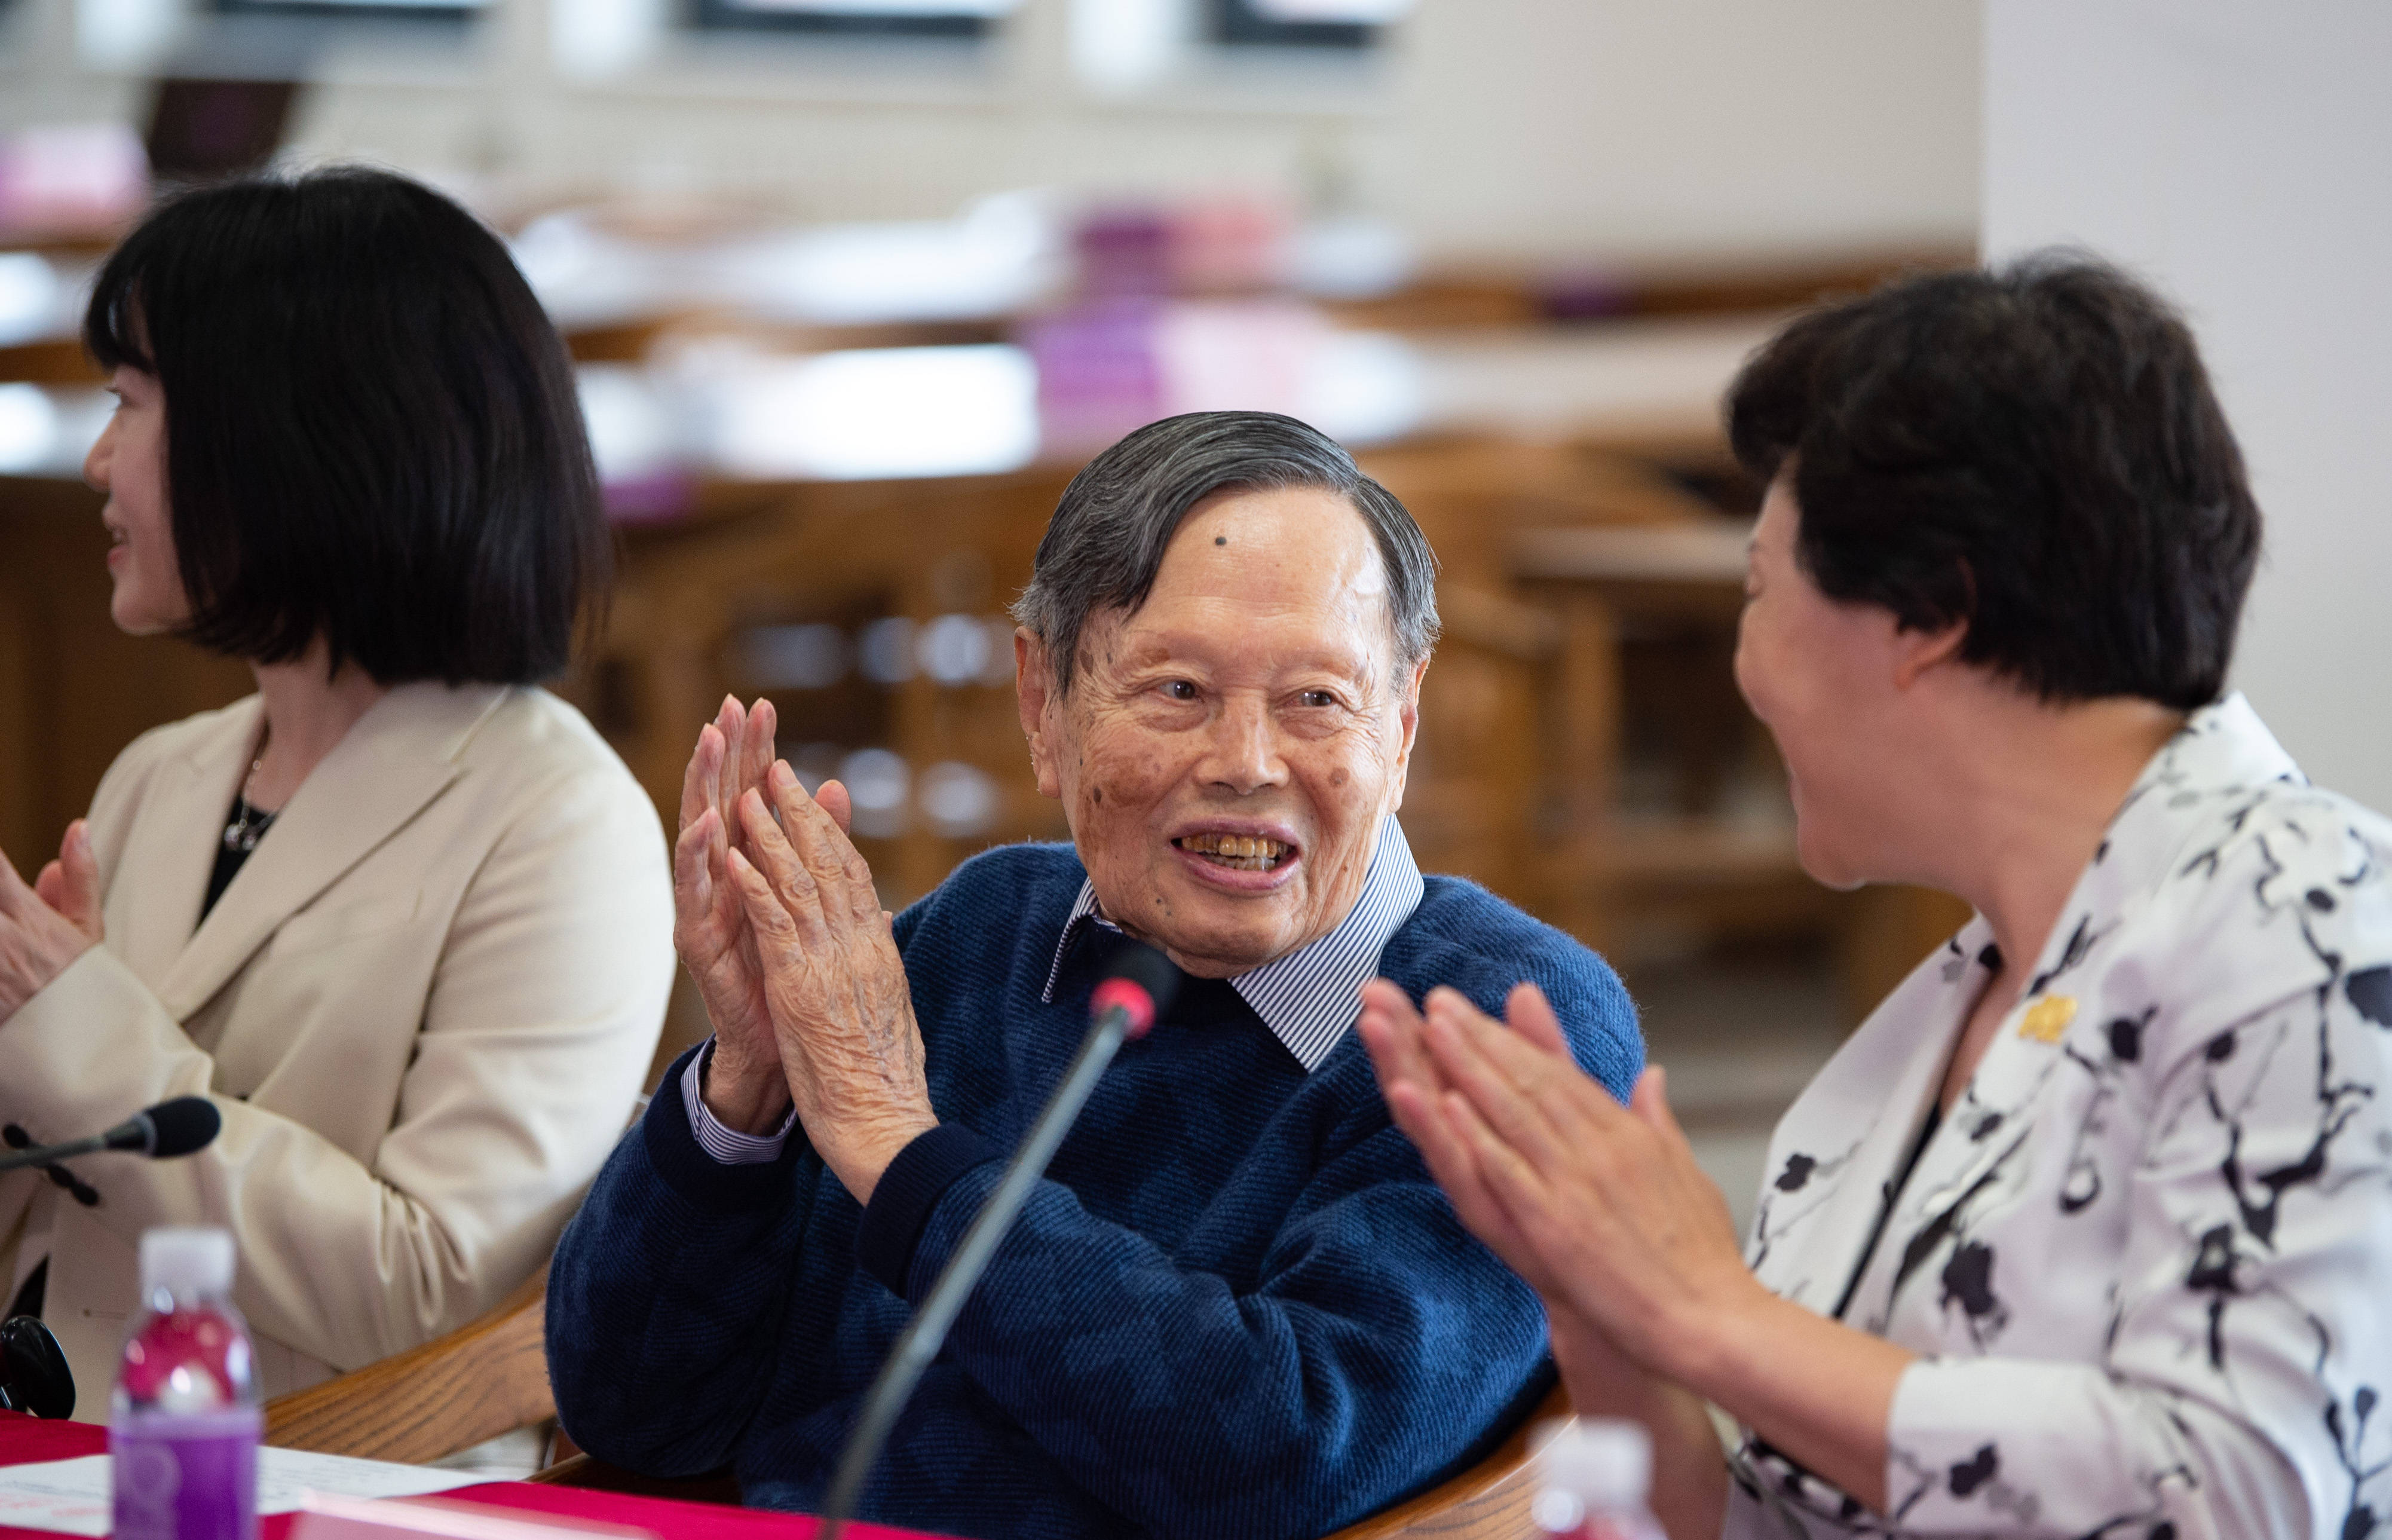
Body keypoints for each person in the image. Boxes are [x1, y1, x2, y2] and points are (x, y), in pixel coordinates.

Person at [1359, 255, 2392, 1539]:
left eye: (1759, 591)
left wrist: (1709, 1312)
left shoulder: (2320, 916)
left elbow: (2239, 1493)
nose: (1746, 669)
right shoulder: (1916, 1034)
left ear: (1928, 614)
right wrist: (1601, 1308)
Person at [547, 410, 1645, 1539]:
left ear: (1403, 725)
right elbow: (636, 1412)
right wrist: (750, 1089)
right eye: (1177, 691)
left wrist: (899, 1147)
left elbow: (1279, 1454)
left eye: (1318, 698)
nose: (1248, 763)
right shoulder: (987, 930)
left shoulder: (1506, 1027)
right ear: (1043, 704)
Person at [0, 167, 675, 1417]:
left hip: (323, 1470)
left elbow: (433, 1283)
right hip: (74, 1437)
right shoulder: (165, 774)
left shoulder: (556, 818)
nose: (95, 460)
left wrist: (71, 1034)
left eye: (129, 404)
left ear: (289, 438)